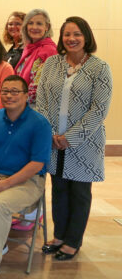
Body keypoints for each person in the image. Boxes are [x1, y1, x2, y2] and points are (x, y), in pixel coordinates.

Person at [37, 17, 112, 261]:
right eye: (67, 34)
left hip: (84, 143)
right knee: (58, 189)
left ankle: (72, 241)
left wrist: (70, 137)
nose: (72, 38)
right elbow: (42, 100)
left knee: (79, 192)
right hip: (53, 141)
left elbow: (99, 109)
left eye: (77, 34)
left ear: (86, 37)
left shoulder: (100, 68)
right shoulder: (52, 63)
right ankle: (59, 236)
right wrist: (50, 134)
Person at [0, 75, 52, 279]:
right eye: (5, 91)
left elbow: (37, 164)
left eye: (15, 91)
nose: (9, 95)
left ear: (26, 96)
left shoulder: (40, 123)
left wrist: (5, 185)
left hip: (28, 180)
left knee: (0, 203)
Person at [15, 9, 57, 108]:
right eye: (30, 23)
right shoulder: (28, 49)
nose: (34, 27)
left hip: (37, 108)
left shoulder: (49, 51)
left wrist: (16, 100)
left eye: (39, 23)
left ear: (47, 27)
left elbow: (38, 87)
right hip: (21, 105)